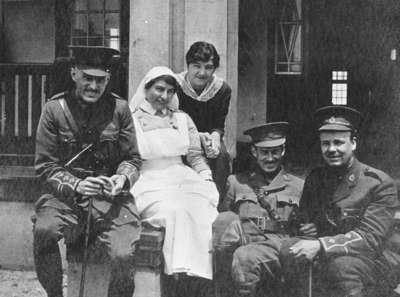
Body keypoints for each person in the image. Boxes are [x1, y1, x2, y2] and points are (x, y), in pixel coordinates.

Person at [32, 46, 142, 297]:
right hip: (66, 200)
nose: (93, 86)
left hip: (110, 199)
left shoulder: (120, 109)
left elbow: (133, 159)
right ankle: (54, 294)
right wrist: (77, 185)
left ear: (108, 79)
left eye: (100, 80)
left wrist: (121, 178)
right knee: (44, 231)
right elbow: (45, 165)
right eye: (87, 78)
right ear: (73, 74)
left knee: (124, 254)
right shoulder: (54, 110)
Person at [280, 106, 400, 297]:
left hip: (373, 260)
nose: (332, 149)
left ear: (353, 143)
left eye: (338, 142)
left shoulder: (378, 183)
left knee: (341, 268)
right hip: (331, 253)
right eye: (325, 144)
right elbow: (305, 218)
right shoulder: (316, 177)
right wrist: (306, 226)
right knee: (288, 252)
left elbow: (370, 238)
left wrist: (321, 244)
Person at [129, 66, 219, 287]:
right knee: (175, 210)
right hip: (149, 178)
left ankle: (195, 278)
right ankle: (177, 272)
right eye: (159, 89)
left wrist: (206, 178)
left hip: (181, 176)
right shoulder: (131, 120)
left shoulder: (181, 119)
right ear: (146, 88)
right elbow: (129, 158)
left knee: (200, 209)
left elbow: (195, 156)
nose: (164, 96)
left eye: (170, 91)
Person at [212, 122, 304, 297]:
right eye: (264, 152)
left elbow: (305, 226)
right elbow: (224, 219)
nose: (270, 158)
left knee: (245, 257)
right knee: (224, 220)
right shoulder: (236, 182)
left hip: (277, 249)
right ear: (254, 152)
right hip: (243, 245)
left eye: (275, 152)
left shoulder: (298, 186)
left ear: (283, 151)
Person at [176, 41, 231, 203]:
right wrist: (195, 136)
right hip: (181, 136)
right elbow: (172, 120)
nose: (202, 72)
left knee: (221, 156)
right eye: (196, 66)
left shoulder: (222, 90)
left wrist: (215, 138)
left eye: (208, 67)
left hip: (208, 138)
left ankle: (216, 203)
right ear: (188, 66)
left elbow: (218, 124)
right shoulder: (176, 85)